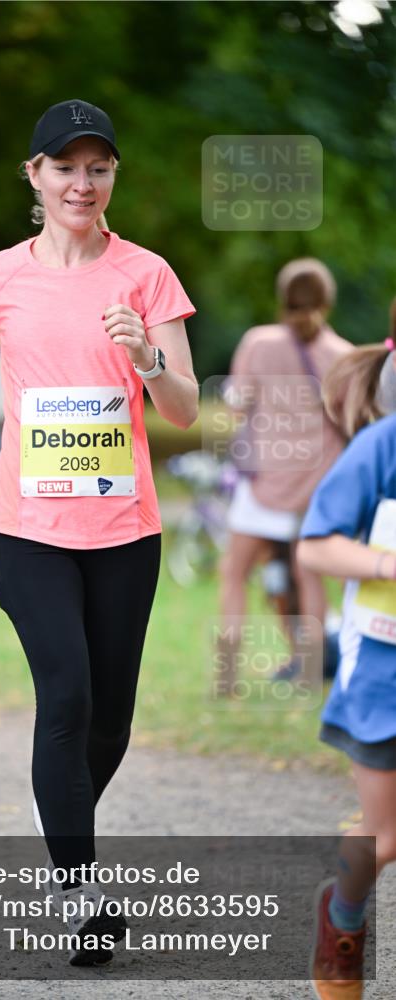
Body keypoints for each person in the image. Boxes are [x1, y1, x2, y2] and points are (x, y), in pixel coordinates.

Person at [0, 98, 198, 964]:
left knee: (110, 723)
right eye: (65, 166)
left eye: (98, 167)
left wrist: (147, 357)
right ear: (34, 175)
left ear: (112, 175)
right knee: (68, 696)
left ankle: (59, 818)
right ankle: (81, 895)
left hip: (124, 530)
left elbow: (186, 411)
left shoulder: (146, 276)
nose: (83, 182)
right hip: (27, 527)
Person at [297, 326, 396, 1000]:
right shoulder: (380, 447)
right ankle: (342, 911)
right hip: (383, 675)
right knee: (383, 841)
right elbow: (315, 548)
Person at [215, 259, 354, 695]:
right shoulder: (345, 356)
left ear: (283, 299)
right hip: (317, 486)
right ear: (327, 301)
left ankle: (228, 676)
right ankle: (310, 674)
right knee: (309, 575)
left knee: (234, 573)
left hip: (264, 484)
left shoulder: (259, 343)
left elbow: (236, 405)